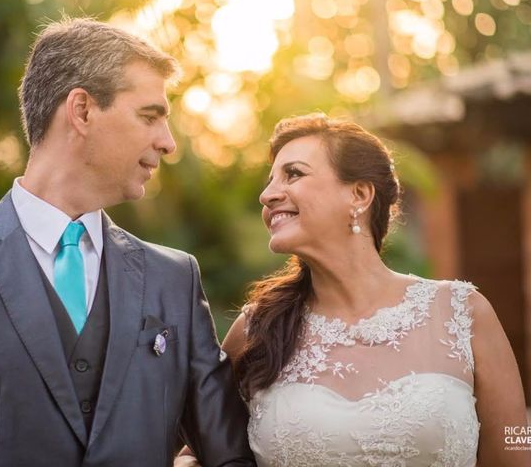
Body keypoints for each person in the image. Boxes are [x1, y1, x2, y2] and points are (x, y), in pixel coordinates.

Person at [0, 18, 254, 466]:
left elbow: (229, 456)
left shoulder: (174, 279)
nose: (168, 143)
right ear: (81, 110)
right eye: (149, 116)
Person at [179, 113, 529, 466]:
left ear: (359, 195)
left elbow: (517, 450)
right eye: (270, 181)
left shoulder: (463, 312)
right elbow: (198, 452)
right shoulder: (256, 329)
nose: (267, 195)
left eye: (294, 174)